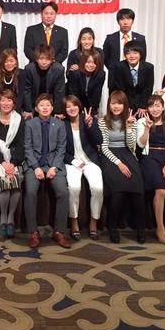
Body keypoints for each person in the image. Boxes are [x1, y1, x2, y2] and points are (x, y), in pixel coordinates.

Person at [24, 93, 71, 249]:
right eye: (41, 105)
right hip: (34, 164)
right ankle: (33, 232)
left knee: (63, 192)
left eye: (48, 105)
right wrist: (36, 167)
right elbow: (27, 148)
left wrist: (54, 167)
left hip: (53, 164)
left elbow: (61, 148)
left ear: (52, 108)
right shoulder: (30, 123)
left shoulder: (59, 124)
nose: (45, 108)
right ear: (36, 108)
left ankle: (59, 232)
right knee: (30, 192)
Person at [99, 90, 146, 244]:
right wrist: (118, 163)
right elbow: (104, 147)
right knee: (118, 190)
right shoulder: (103, 121)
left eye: (119, 103)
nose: (116, 106)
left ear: (125, 105)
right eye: (113, 103)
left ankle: (140, 227)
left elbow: (132, 146)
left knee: (137, 189)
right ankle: (112, 227)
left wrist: (129, 127)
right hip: (109, 156)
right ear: (109, 105)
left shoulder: (130, 119)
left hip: (127, 153)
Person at [137, 95, 165, 245]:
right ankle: (160, 228)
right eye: (151, 106)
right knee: (161, 191)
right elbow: (140, 145)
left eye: (157, 106)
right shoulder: (141, 122)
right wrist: (147, 129)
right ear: (147, 109)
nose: (154, 109)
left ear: (163, 107)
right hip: (150, 157)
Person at [62, 95, 103, 241]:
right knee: (74, 188)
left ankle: (93, 222)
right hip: (72, 162)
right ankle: (74, 221)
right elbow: (61, 150)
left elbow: (99, 141)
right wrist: (74, 162)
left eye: (74, 105)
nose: (71, 108)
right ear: (64, 110)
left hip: (90, 160)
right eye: (68, 106)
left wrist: (90, 126)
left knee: (97, 188)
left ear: (79, 106)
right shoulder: (62, 124)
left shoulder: (89, 119)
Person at [0, 89, 24, 239]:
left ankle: (11, 218)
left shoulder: (19, 120)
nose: (6, 103)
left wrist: (12, 163)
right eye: (3, 100)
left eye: (9, 100)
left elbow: (21, 146)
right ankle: (3, 218)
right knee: (5, 185)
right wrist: (3, 162)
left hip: (15, 160)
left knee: (15, 183)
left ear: (14, 103)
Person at [103, 8, 147, 92]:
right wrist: (115, 69)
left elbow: (142, 58)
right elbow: (105, 58)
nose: (125, 22)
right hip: (115, 79)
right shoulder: (110, 38)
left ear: (133, 21)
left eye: (128, 19)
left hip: (134, 77)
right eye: (122, 19)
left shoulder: (140, 39)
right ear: (118, 21)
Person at [23, 44, 66, 119]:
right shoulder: (29, 69)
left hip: (51, 105)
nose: (44, 62)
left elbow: (59, 92)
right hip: (33, 104)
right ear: (36, 59)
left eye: (47, 59)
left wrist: (57, 111)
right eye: (41, 58)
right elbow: (27, 91)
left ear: (52, 60)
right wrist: (28, 110)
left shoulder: (59, 69)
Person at [113, 40, 154, 118]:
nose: (131, 56)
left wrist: (142, 106)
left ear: (140, 54)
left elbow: (148, 88)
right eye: (128, 53)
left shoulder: (149, 67)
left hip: (142, 104)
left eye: (135, 53)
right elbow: (120, 88)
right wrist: (126, 105)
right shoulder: (119, 67)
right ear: (125, 55)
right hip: (125, 103)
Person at [23, 1, 69, 65]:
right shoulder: (31, 30)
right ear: (41, 15)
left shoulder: (63, 32)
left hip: (55, 66)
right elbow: (28, 50)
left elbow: (64, 52)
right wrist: (39, 61)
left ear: (55, 15)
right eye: (46, 13)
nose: (49, 16)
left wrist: (52, 62)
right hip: (35, 65)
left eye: (52, 14)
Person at [66, 49, 106, 116]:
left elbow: (96, 96)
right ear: (83, 62)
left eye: (94, 63)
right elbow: (73, 95)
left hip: (89, 106)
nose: (91, 65)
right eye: (88, 62)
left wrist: (92, 113)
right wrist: (80, 113)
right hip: (73, 105)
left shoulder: (100, 75)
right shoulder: (75, 73)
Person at [0, 48, 26, 112]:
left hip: (16, 109)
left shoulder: (21, 73)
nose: (9, 64)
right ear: (2, 63)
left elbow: (21, 95)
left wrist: (15, 111)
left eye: (11, 61)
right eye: (6, 61)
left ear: (16, 62)